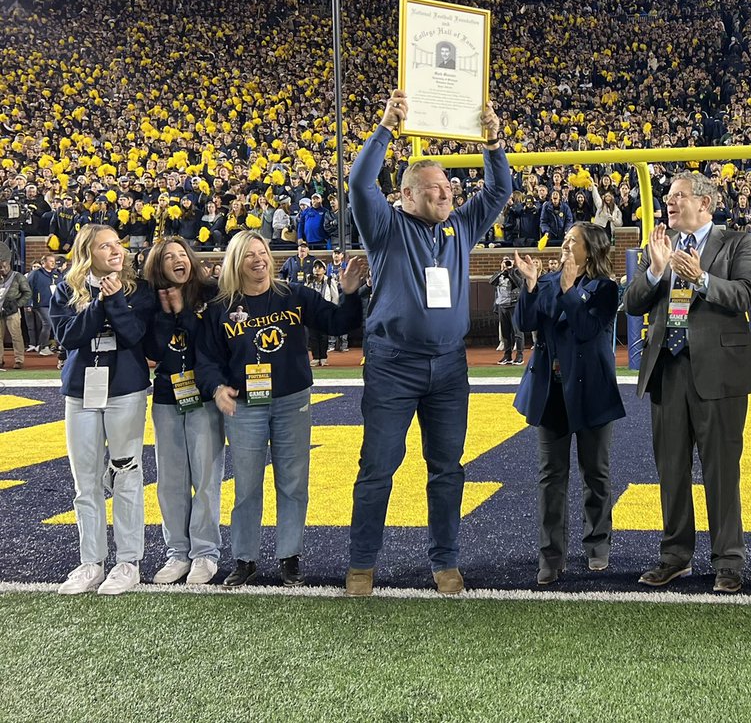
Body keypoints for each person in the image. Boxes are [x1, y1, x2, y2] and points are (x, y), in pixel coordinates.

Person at [344, 90, 511, 597]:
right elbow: (358, 181)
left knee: (447, 468)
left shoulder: (461, 227)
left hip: (449, 366)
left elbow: (499, 189)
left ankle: (445, 560)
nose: (447, 194)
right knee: (377, 466)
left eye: (449, 187)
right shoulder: (385, 226)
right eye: (435, 188)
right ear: (407, 195)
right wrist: (387, 128)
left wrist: (493, 143)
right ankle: (361, 563)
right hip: (394, 365)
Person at [196, 230, 366, 588]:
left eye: (262, 253)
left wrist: (350, 293)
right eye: (249, 255)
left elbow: (338, 323)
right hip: (245, 405)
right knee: (246, 486)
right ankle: (245, 559)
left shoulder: (295, 295)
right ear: (236, 262)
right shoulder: (221, 307)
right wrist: (216, 388)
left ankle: (290, 556)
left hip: (292, 401)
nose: (258, 260)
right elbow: (207, 358)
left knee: (292, 483)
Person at [623, 171, 751, 594]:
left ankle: (728, 560)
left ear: (705, 203)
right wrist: (655, 272)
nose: (669, 202)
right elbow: (632, 304)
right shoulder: (659, 245)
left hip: (719, 373)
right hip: (668, 368)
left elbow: (746, 296)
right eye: (668, 196)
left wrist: (700, 278)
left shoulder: (738, 242)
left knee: (721, 470)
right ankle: (675, 555)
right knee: (671, 469)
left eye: (678, 196)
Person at [512, 222, 625, 586]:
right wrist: (529, 287)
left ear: (589, 250)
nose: (564, 245)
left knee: (596, 472)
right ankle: (551, 555)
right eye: (564, 240)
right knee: (551, 477)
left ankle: (597, 544)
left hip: (591, 392)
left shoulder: (606, 288)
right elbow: (524, 322)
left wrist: (568, 290)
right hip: (551, 394)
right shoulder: (545, 282)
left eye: (572, 241)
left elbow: (588, 330)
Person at [50, 224, 156, 596]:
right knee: (86, 482)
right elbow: (68, 338)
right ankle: (91, 562)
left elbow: (134, 336)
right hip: (81, 391)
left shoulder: (137, 289)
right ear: (87, 252)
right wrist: (98, 303)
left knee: (127, 474)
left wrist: (113, 301)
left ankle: (128, 562)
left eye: (117, 244)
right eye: (105, 246)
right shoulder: (66, 288)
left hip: (125, 388)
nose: (116, 251)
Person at [142, 236, 223, 586]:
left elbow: (211, 343)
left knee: (206, 477)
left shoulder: (211, 294)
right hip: (166, 395)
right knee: (171, 480)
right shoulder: (150, 300)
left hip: (203, 396)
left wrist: (184, 314)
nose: (178, 260)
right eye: (169, 257)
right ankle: (177, 552)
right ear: (158, 267)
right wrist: (165, 316)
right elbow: (152, 352)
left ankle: (205, 553)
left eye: (182, 254)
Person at [490, 257, 525, 366]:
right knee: (505, 333)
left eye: (508, 262)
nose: (506, 264)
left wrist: (511, 271)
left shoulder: (517, 273)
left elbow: (520, 284)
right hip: (502, 305)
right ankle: (507, 355)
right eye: (504, 262)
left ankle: (519, 356)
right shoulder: (499, 274)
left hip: (514, 305)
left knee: (517, 332)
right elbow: (492, 282)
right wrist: (502, 271)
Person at [0, 258, 32, 370]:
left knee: (16, 336)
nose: (3, 269)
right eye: (1, 267)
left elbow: (27, 292)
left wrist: (18, 304)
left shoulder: (18, 276)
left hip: (12, 311)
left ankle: (19, 360)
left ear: (9, 266)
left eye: (5, 267)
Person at [27, 254, 60, 356]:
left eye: (53, 261)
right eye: (50, 261)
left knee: (54, 324)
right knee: (47, 323)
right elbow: (28, 288)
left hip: (54, 303)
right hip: (40, 303)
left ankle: (53, 345)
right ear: (43, 263)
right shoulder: (35, 273)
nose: (53, 263)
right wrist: (29, 303)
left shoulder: (56, 274)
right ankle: (42, 346)